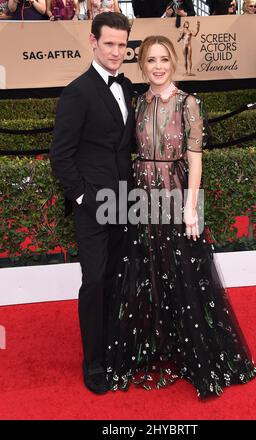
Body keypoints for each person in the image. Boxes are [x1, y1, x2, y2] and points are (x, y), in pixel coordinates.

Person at [104, 35, 256, 399]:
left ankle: (194, 350)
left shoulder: (190, 104)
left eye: (163, 60)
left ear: (173, 62)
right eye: (150, 61)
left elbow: (196, 160)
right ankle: (156, 342)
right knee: (144, 267)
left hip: (175, 192)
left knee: (184, 270)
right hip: (141, 192)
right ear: (141, 65)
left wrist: (192, 208)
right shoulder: (137, 103)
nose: (157, 67)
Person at [50, 12, 135, 394]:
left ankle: (116, 347)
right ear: (93, 42)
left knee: (118, 274)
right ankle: (95, 361)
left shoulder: (128, 86)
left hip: (125, 199)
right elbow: (60, 155)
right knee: (95, 279)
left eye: (122, 44)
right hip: (93, 204)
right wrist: (84, 197)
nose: (116, 51)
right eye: (110, 44)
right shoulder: (78, 91)